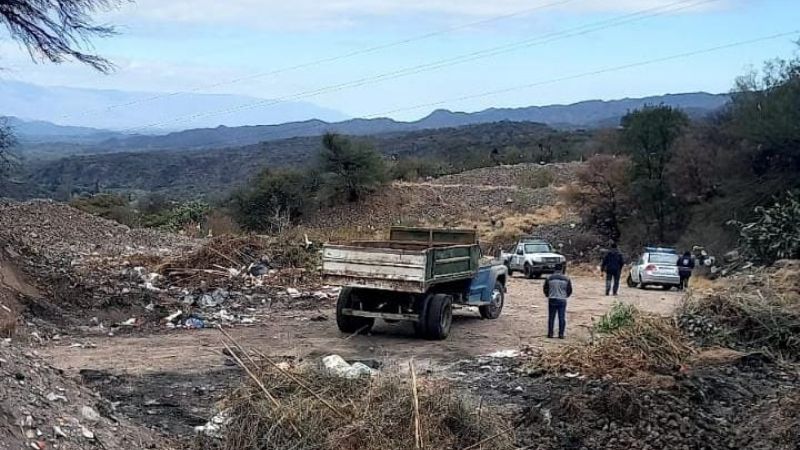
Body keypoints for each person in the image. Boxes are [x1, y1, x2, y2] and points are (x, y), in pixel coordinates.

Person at [543, 264, 573, 339]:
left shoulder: (549, 278)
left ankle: (550, 334)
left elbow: (545, 288)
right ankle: (561, 334)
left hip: (552, 299)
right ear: (562, 269)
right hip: (562, 299)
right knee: (561, 317)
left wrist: (548, 295)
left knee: (551, 317)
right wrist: (565, 296)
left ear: (554, 269)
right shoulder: (566, 279)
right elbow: (569, 290)